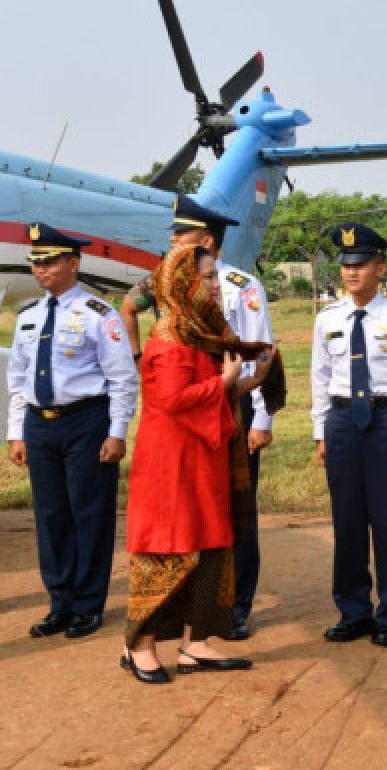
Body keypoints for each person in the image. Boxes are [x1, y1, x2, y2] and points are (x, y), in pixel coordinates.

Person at [121, 195, 276, 642]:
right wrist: (224, 381)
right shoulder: (171, 324)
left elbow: (256, 345)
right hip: (182, 440)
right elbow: (172, 394)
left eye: (180, 233)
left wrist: (252, 398)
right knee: (179, 534)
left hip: (217, 424)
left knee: (227, 522)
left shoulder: (235, 288)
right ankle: (149, 642)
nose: (170, 238)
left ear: (205, 241)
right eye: (206, 279)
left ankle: (221, 620)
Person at [7, 223, 138, 640]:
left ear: (73, 263)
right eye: (36, 263)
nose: (40, 270)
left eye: (48, 262)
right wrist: (16, 433)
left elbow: (122, 377)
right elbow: (18, 378)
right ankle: (59, 603)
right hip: (39, 424)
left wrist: (117, 432)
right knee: (50, 516)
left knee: (89, 512)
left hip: (86, 421)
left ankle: (87, 604)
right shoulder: (28, 317)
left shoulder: (100, 315)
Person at [311, 223, 387, 649]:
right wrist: (321, 433)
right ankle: (353, 611)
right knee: (347, 521)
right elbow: (319, 377)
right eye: (346, 265)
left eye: (361, 264)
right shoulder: (327, 319)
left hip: (386, 421)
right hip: (341, 422)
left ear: (380, 268)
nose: (351, 273)